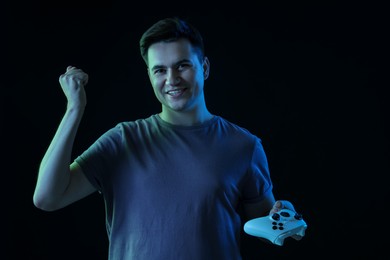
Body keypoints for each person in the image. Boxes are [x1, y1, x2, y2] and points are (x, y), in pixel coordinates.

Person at [33, 16, 299, 259]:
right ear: (149, 76)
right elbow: (47, 197)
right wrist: (73, 110)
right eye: (159, 70)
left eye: (182, 65)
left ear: (204, 67)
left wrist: (284, 218)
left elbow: (267, 226)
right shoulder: (123, 140)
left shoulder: (244, 146)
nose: (172, 79)